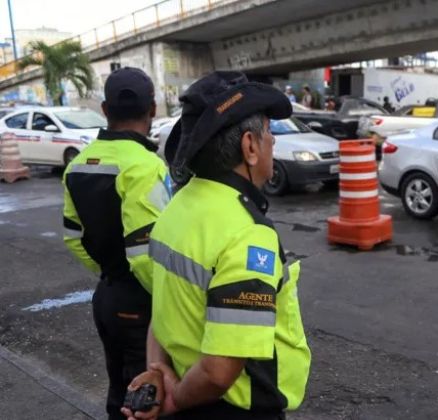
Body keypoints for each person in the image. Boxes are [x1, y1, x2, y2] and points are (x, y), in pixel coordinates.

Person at [122, 71, 311, 420]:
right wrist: (174, 399)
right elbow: (219, 371)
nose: (273, 143)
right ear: (250, 147)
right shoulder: (247, 233)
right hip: (228, 407)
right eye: (269, 133)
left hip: (184, 388)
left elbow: (162, 310)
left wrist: (156, 370)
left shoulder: (177, 207)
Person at [62, 67, 170, 419]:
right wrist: (175, 301)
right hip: (143, 301)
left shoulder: (77, 164)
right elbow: (144, 256)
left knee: (119, 389)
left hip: (107, 295)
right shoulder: (146, 166)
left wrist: (109, 271)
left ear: (105, 110)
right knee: (146, 397)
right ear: (152, 109)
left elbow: (73, 237)